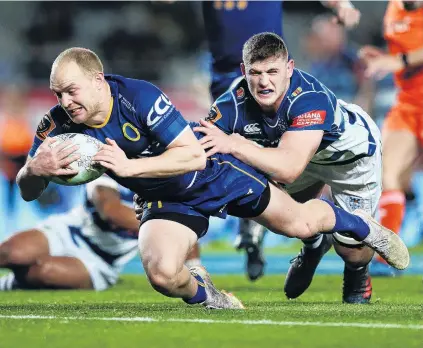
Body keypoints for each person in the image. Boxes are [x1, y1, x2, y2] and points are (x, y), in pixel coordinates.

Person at [17, 47, 408, 308]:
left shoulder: (138, 96)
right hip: (164, 198)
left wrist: (129, 168)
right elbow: (29, 191)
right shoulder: (56, 126)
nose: (65, 102)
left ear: (98, 79)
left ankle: (360, 226)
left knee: (301, 223)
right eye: (57, 95)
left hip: (216, 176)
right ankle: (211, 297)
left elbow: (191, 157)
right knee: (163, 275)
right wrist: (34, 170)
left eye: (71, 91)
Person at [194, 32, 386, 304]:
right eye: (255, 72)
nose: (264, 82)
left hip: (350, 158)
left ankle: (357, 272)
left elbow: (288, 169)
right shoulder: (231, 103)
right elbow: (197, 147)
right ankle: (313, 244)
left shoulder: (308, 98)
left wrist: (236, 145)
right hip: (295, 152)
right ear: (243, 71)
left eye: (272, 71)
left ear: (289, 68)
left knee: (352, 249)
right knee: (277, 211)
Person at [359, 0, 423, 268]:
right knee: (388, 174)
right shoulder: (393, 8)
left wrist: (399, 60)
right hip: (409, 103)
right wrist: (384, 57)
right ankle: (387, 257)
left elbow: (404, 56)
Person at [0, 175, 139, 290]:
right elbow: (110, 211)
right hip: (68, 232)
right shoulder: (113, 166)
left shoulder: (158, 185)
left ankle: (9, 284)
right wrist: (156, 219)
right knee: (11, 252)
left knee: (45, 272)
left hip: (101, 263)